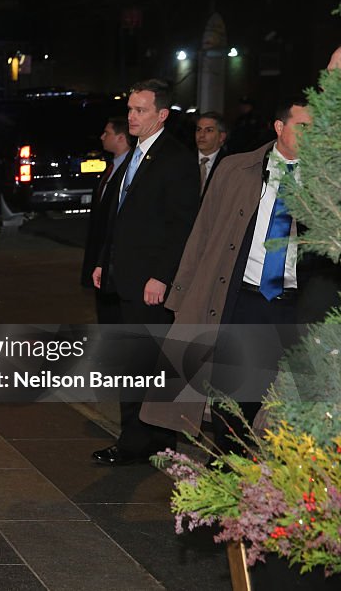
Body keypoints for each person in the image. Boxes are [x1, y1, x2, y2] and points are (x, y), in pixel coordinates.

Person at [148, 98, 341, 450]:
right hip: (245, 300)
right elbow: (202, 234)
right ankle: (226, 468)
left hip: (296, 308)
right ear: (279, 127)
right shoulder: (237, 170)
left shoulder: (328, 181)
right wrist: (182, 293)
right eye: (304, 127)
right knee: (231, 398)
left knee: (288, 405)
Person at [91, 78, 200, 466]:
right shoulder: (134, 156)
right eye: (130, 109)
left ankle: (148, 442)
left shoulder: (176, 159)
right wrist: (105, 260)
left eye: (140, 111)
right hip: (123, 277)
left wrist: (163, 276)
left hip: (150, 283)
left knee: (150, 366)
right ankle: (140, 440)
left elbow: (182, 225)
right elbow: (117, 218)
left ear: (162, 114)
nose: (131, 117)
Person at [80, 117, 132, 324]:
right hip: (101, 252)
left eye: (107, 133)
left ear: (120, 138)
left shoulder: (129, 169)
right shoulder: (110, 167)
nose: (102, 137)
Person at [195, 111, 228, 196]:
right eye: (199, 129)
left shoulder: (229, 164)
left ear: (221, 137)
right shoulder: (184, 160)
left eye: (209, 130)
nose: (201, 135)